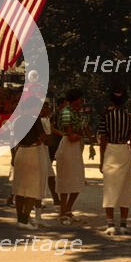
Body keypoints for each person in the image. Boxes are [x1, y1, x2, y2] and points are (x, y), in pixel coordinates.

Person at [97, 89, 131, 235]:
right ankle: (124, 223)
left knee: (110, 187)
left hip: (111, 151)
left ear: (111, 101)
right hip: (124, 151)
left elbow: (103, 140)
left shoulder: (106, 117)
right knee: (125, 188)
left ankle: (110, 224)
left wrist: (101, 160)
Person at [11, 97, 46, 229]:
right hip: (32, 152)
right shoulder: (35, 119)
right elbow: (42, 137)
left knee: (19, 188)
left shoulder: (17, 120)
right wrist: (39, 141)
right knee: (32, 188)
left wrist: (13, 157)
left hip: (20, 152)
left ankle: (20, 218)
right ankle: (25, 219)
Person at [56, 89, 86, 224]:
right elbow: (71, 135)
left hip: (75, 148)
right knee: (66, 178)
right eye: (80, 99)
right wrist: (79, 135)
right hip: (68, 146)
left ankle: (67, 209)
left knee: (77, 178)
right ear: (74, 100)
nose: (81, 102)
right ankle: (63, 210)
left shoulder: (77, 113)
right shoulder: (67, 112)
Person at [47, 97, 67, 205]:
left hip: (59, 145)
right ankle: (55, 197)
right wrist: (62, 134)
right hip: (52, 145)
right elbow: (51, 128)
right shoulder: (54, 116)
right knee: (49, 172)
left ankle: (56, 197)